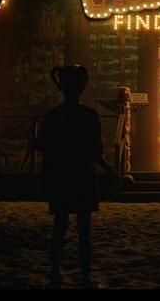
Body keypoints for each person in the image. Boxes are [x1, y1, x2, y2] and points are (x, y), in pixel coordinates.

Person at [34, 64, 114, 289]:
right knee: (84, 229)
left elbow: (41, 145)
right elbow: (96, 152)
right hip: (83, 175)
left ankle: (55, 274)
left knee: (59, 226)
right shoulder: (89, 115)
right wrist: (110, 170)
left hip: (60, 175)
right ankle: (85, 277)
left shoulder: (53, 115)